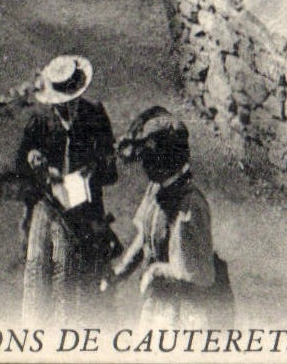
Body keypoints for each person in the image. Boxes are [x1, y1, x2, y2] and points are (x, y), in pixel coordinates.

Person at [15, 54, 119, 324]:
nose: (64, 107)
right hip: (48, 208)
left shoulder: (95, 117)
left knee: (78, 286)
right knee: (40, 278)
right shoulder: (40, 122)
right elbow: (20, 166)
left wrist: (91, 170)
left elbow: (111, 172)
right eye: (59, 103)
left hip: (85, 211)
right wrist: (33, 158)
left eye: (69, 101)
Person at [107, 107, 232, 326]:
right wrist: (120, 272)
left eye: (149, 160)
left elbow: (197, 276)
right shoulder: (156, 188)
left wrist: (156, 271)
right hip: (158, 301)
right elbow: (145, 237)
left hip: (185, 311)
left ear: (167, 160)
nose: (144, 166)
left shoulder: (189, 205)